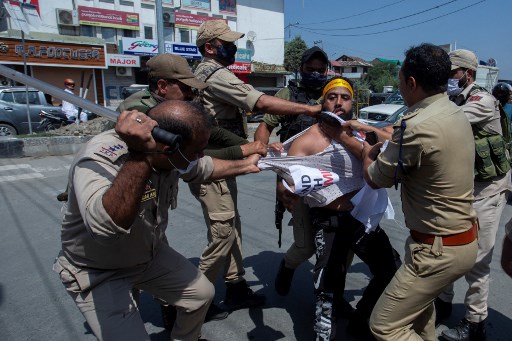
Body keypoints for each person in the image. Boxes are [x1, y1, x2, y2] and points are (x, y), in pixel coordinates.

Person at [53, 100, 262, 341]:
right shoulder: (101, 156)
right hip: (99, 270)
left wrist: (247, 165)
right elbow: (106, 228)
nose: (200, 155)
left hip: (147, 255)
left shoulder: (171, 155)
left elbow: (201, 167)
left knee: (200, 294)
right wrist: (140, 155)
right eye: (196, 150)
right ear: (166, 147)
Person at [117, 53, 267, 324]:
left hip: (161, 190)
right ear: (163, 87)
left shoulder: (181, 105)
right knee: (133, 255)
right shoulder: (140, 113)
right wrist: (245, 150)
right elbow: (192, 155)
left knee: (154, 243)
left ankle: (173, 304)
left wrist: (252, 151)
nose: (190, 94)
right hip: (133, 193)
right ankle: (138, 314)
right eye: (184, 88)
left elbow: (208, 137)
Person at [192, 19, 322, 310]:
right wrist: (310, 109)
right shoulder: (214, 73)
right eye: (227, 43)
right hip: (212, 164)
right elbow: (261, 103)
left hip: (223, 159)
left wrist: (261, 148)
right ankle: (186, 298)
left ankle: (236, 285)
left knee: (231, 227)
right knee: (223, 232)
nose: (233, 47)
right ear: (210, 47)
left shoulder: (209, 71)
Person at [363, 43, 478, 341]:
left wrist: (367, 151)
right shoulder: (454, 111)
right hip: (462, 240)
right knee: (419, 318)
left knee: (385, 325)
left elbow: (377, 178)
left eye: (400, 79)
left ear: (411, 82)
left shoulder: (413, 126)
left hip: (436, 251)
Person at [283, 77, 400, 340]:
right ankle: (325, 331)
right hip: (329, 220)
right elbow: (287, 172)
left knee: (390, 269)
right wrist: (285, 187)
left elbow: (393, 141)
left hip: (362, 218)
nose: (338, 102)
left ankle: (362, 319)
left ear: (352, 102)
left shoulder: (362, 132)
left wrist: (351, 135)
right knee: (328, 284)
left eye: (344, 97)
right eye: (331, 97)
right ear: (322, 102)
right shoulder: (308, 139)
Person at [437, 49, 512, 341]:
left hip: (489, 190)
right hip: (462, 190)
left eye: (452, 72)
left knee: (477, 259)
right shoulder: (452, 98)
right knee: (445, 248)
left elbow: (446, 122)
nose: (447, 78)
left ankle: (475, 323)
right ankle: (443, 303)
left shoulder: (482, 100)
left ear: (467, 74)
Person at [253, 46, 328, 298]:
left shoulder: (334, 93)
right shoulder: (288, 93)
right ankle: (287, 266)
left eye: (321, 70)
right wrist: (264, 148)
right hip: (294, 175)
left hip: (330, 176)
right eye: (310, 70)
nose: (316, 74)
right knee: (305, 245)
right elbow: (265, 127)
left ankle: (327, 297)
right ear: (301, 69)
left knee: (332, 243)